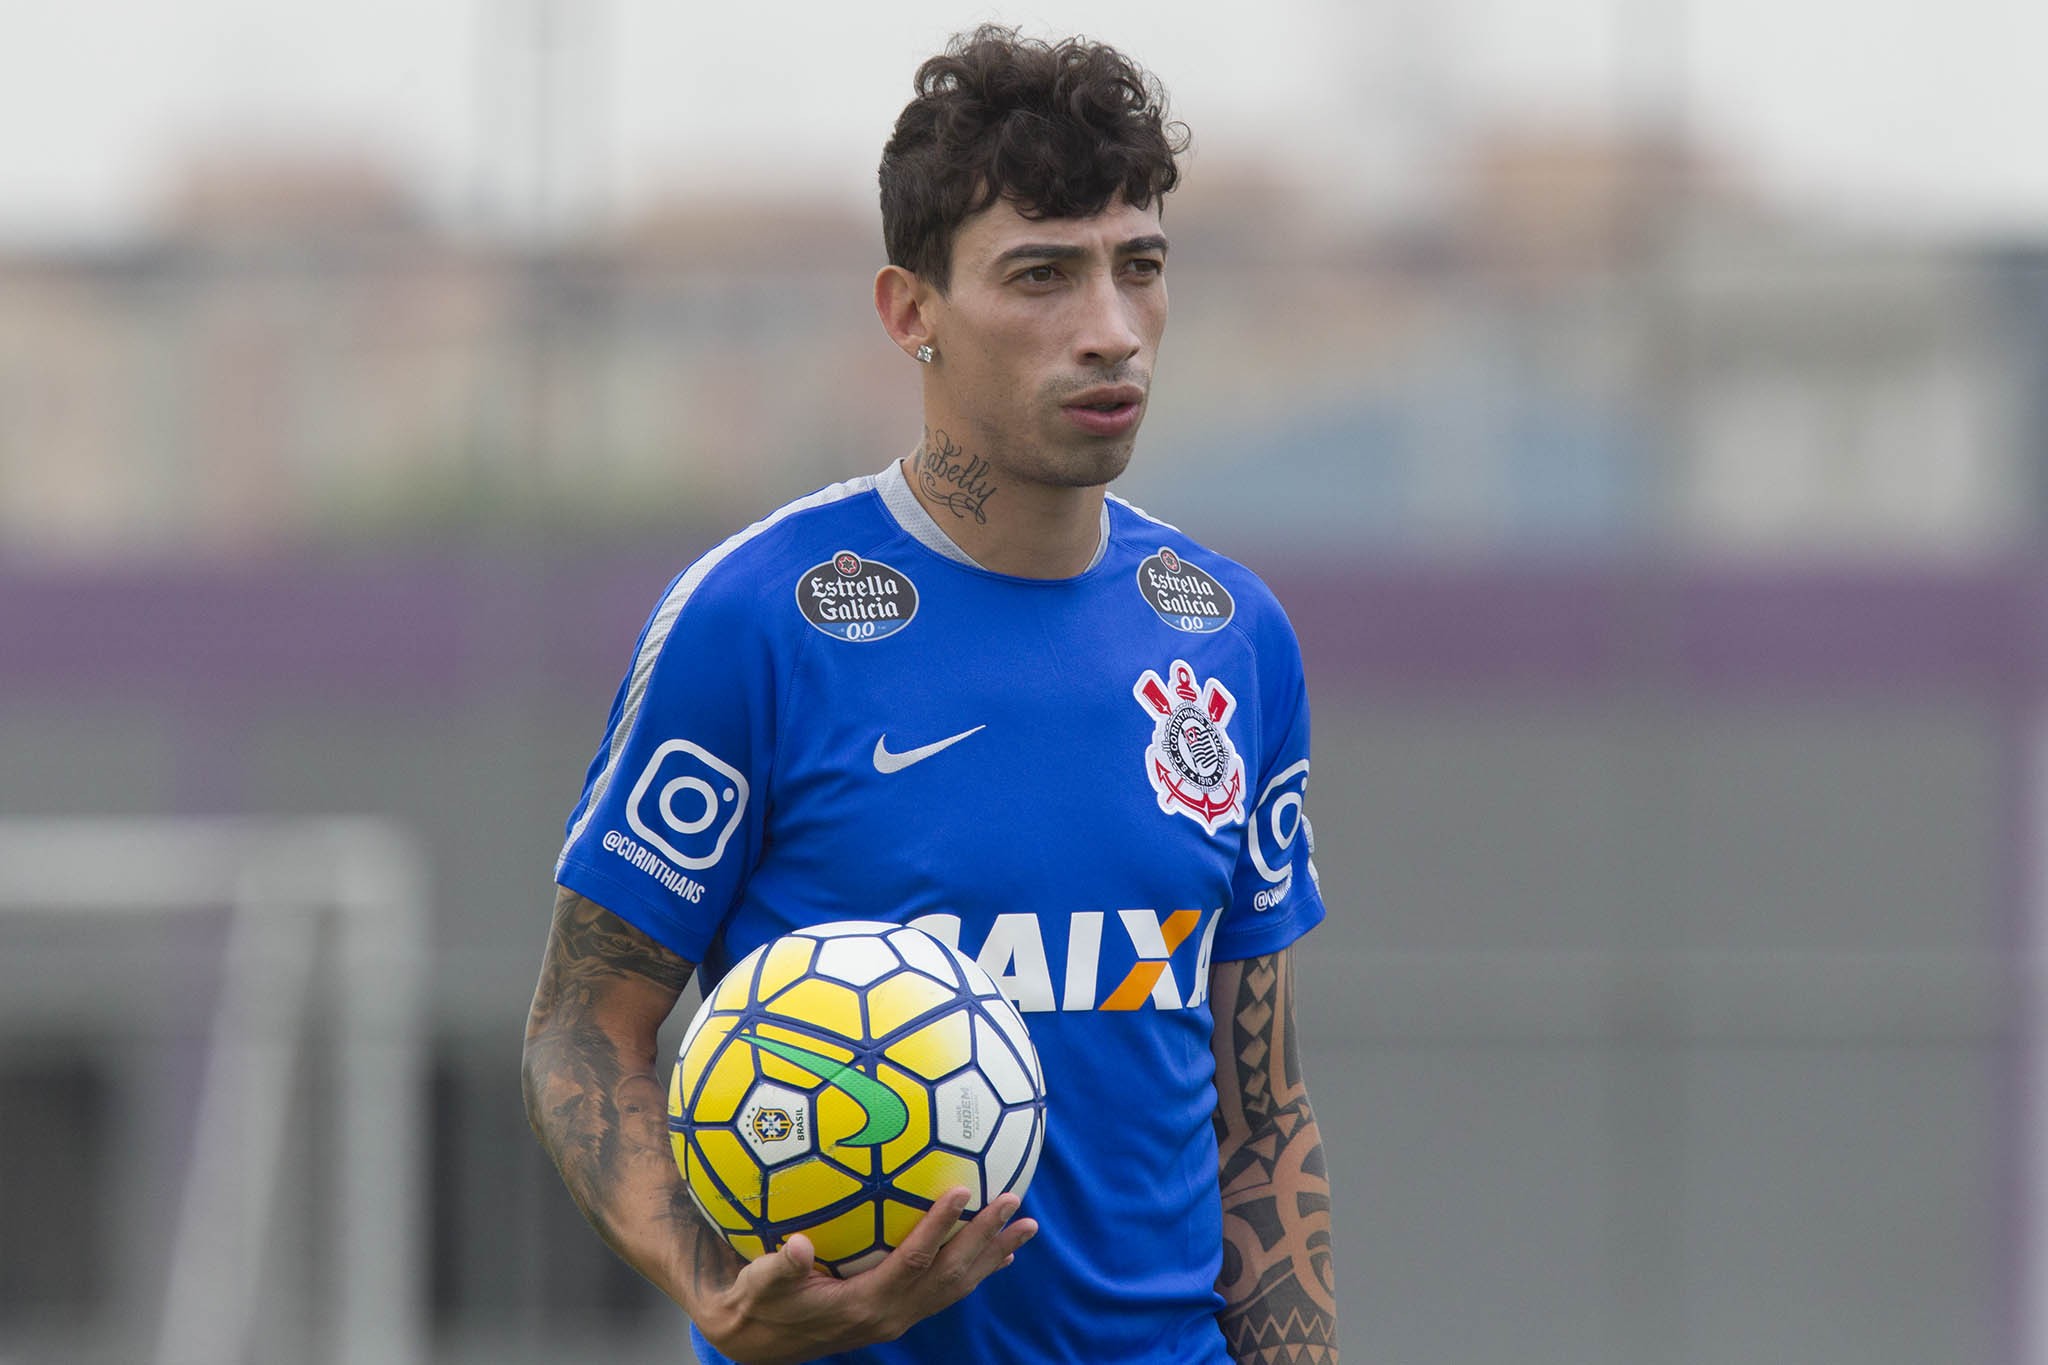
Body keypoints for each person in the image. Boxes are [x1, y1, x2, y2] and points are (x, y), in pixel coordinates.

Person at [523, 24, 1337, 1364]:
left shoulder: (1233, 638)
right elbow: (579, 1028)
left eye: (1139, 268)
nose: (1111, 332)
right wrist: (712, 1281)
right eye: (1042, 275)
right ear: (912, 313)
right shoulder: (758, 620)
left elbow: (1260, 1125)